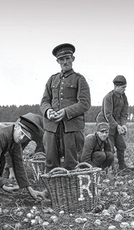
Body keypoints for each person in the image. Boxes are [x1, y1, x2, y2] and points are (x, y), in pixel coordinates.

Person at [40, 43, 91, 171]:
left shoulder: (79, 79)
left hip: (71, 127)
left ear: (73, 59)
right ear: (57, 61)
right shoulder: (52, 79)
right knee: (50, 162)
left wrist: (66, 112)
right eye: (61, 59)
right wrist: (48, 111)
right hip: (52, 127)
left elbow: (85, 103)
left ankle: (71, 190)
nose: (65, 62)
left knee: (71, 163)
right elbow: (44, 101)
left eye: (68, 58)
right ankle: (51, 190)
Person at [96, 75, 129, 170]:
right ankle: (111, 168)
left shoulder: (124, 97)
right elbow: (108, 115)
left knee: (121, 145)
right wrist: (117, 126)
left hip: (116, 123)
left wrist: (123, 125)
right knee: (110, 147)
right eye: (123, 87)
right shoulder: (108, 97)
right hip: (105, 123)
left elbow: (124, 113)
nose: (124, 90)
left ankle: (122, 166)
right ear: (116, 87)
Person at [5, 112, 45, 180]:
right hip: (25, 124)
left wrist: (37, 153)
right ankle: (10, 174)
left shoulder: (40, 132)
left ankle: (41, 174)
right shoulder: (16, 132)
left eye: (25, 137)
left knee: (40, 153)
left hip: (38, 127)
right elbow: (9, 152)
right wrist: (11, 170)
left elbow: (42, 145)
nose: (22, 138)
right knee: (15, 151)